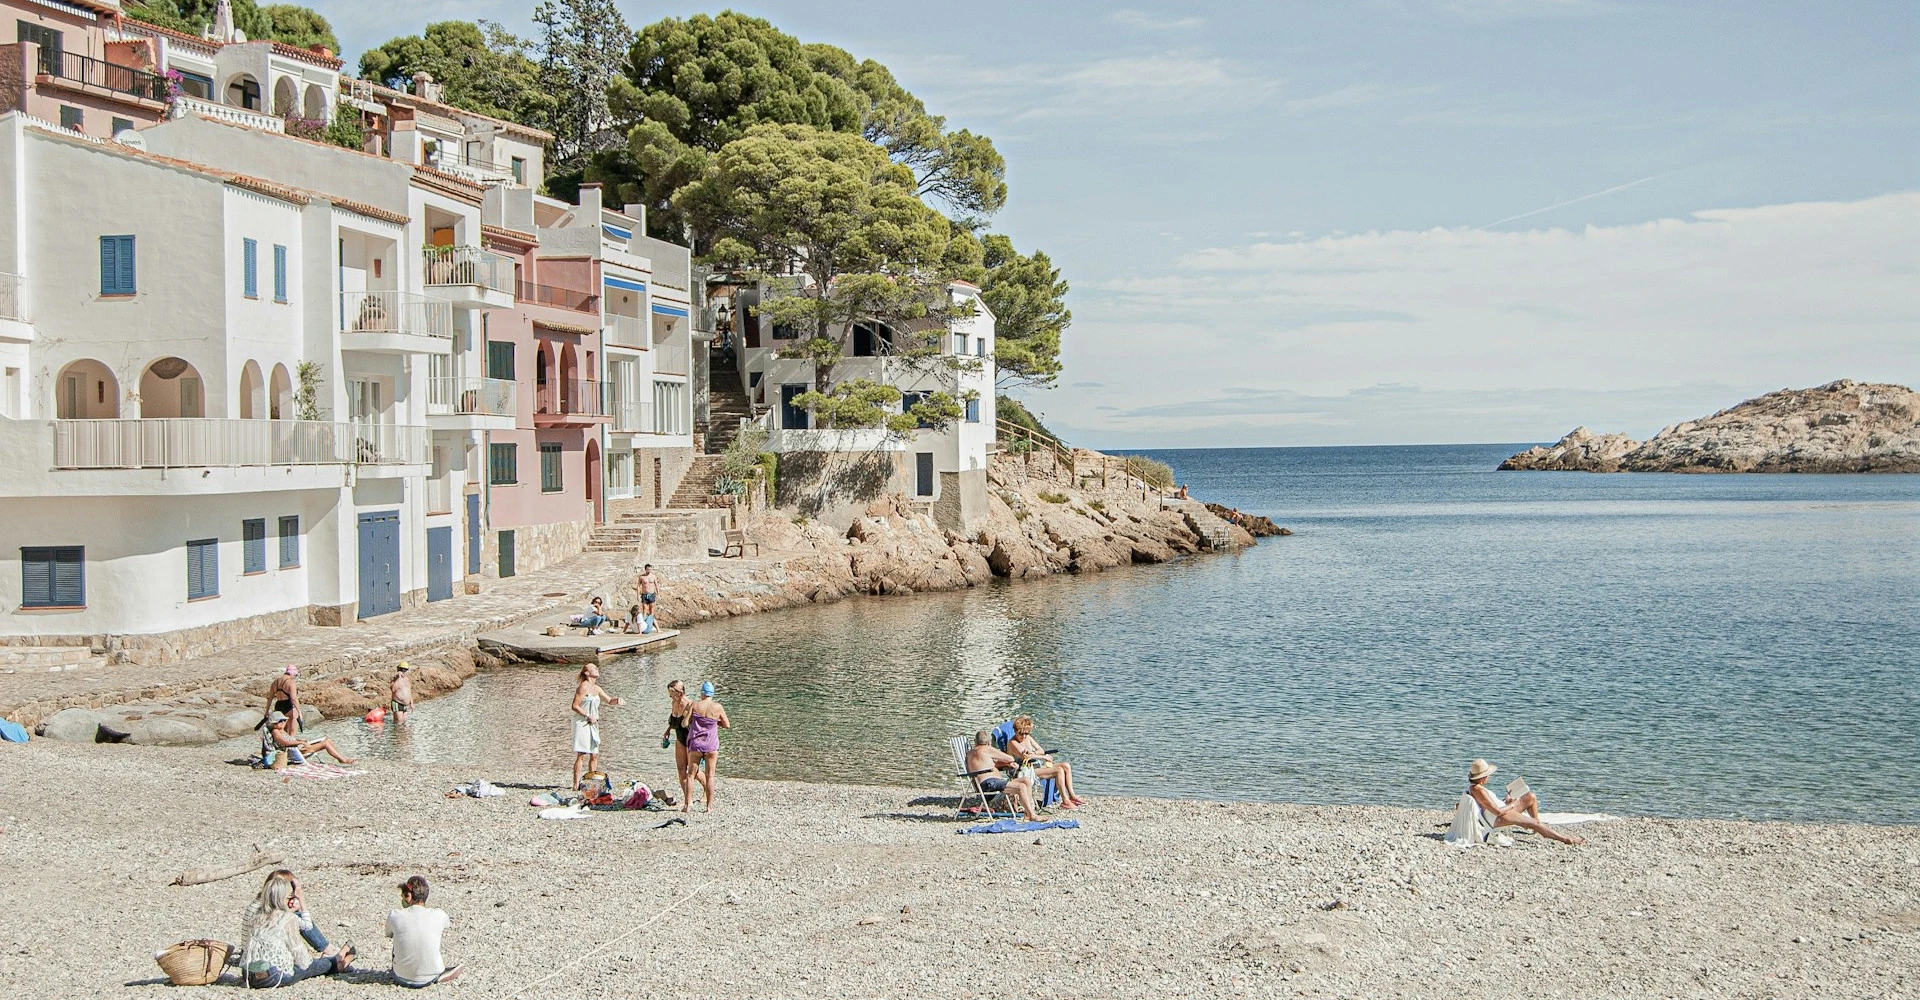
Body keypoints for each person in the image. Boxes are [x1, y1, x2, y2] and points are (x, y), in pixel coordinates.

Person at [238, 869, 356, 988]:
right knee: (311, 967)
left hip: (248, 976)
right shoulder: (288, 918)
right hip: (272, 976)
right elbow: (303, 961)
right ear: (283, 897)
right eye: (290, 898)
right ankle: (337, 960)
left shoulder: (257, 916)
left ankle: (338, 959)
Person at [1466, 758, 1586, 845]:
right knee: (1535, 822)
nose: (1489, 776)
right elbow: (1497, 812)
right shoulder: (1478, 790)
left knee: (1530, 797)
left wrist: (1506, 802)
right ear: (1483, 777)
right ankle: (1566, 839)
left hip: (1497, 812)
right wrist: (1511, 804)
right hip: (1496, 818)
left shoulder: (1476, 788)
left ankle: (1536, 828)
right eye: (1488, 775)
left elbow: (1489, 805)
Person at [386, 875, 463, 988]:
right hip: (432, 976)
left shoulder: (395, 915)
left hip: (401, 977)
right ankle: (435, 972)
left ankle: (406, 970)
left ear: (409, 896)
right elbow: (446, 925)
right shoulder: (439, 914)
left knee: (399, 938)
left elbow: (389, 934)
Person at [1006, 715, 1085, 807]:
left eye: (1026, 733)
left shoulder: (1028, 738)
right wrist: (1042, 757)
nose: (1023, 736)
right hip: (1023, 772)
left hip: (1034, 767)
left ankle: (1072, 796)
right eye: (1021, 733)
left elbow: (1041, 750)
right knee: (1058, 770)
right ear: (1015, 731)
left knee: (1066, 765)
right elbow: (1025, 757)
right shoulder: (1013, 743)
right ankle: (1065, 801)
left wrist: (1034, 753)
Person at [965, 730, 1040, 821]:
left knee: (1026, 781)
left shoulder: (970, 753)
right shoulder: (986, 749)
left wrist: (1005, 764)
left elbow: (984, 766)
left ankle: (1028, 813)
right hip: (990, 785)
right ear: (988, 742)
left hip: (985, 785)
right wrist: (1008, 762)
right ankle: (1032, 815)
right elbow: (1010, 758)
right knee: (1021, 787)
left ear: (975, 741)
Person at [571, 663, 623, 790]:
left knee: (594, 754)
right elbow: (575, 705)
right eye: (593, 668)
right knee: (582, 753)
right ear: (587, 673)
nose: (597, 669)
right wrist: (588, 715)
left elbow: (609, 700)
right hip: (582, 723)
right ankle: (575, 783)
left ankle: (591, 781)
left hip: (594, 723)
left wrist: (617, 700)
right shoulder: (583, 687)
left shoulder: (597, 688)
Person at [683, 681, 730, 813]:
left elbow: (685, 723)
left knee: (691, 775)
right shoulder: (718, 707)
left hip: (696, 744)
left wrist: (688, 718)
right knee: (710, 776)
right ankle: (709, 807)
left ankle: (687, 806)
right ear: (712, 694)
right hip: (711, 745)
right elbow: (727, 725)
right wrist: (715, 723)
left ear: (702, 693)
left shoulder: (695, 705)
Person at [263, 711, 356, 769]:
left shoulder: (281, 730)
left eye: (284, 720)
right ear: (275, 723)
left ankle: (339, 757)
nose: (284, 722)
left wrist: (301, 740)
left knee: (327, 739)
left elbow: (290, 739)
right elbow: (285, 743)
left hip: (296, 748)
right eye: (281, 721)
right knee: (326, 743)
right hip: (293, 751)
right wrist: (301, 742)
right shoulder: (276, 732)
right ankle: (343, 760)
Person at [661, 679, 694, 806]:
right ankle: (687, 799)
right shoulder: (674, 703)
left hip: (690, 738)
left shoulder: (689, 704)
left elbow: (695, 724)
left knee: (693, 771)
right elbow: (673, 719)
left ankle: (705, 790)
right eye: (670, 694)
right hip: (680, 737)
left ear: (680, 693)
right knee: (681, 770)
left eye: (673, 694)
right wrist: (668, 730)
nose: (671, 697)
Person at [261, 664, 301, 736]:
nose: (294, 678)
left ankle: (282, 745)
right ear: (292, 673)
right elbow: (294, 698)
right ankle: (292, 745)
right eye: (295, 675)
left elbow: (270, 698)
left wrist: (266, 711)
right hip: (289, 706)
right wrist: (299, 712)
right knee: (292, 732)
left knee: (282, 731)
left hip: (279, 706)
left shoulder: (275, 682)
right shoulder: (291, 682)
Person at [389, 661, 415, 725]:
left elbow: (409, 691)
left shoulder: (406, 679)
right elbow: (393, 689)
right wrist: (399, 678)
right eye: (402, 670)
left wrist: (411, 703)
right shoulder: (395, 679)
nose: (404, 672)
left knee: (404, 721)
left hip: (405, 704)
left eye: (405, 670)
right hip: (397, 703)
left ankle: (403, 734)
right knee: (398, 722)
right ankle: (397, 734)